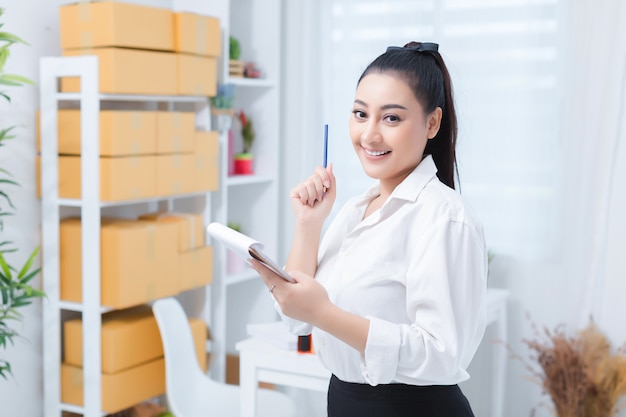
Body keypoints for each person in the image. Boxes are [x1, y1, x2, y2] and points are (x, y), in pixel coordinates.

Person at [250, 41, 487, 417]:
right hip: (344, 402)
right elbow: (297, 318)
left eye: (391, 118)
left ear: (432, 123)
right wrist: (309, 225)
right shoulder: (353, 211)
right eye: (360, 114)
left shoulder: (444, 218)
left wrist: (325, 313)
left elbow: (442, 355)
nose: (369, 135)